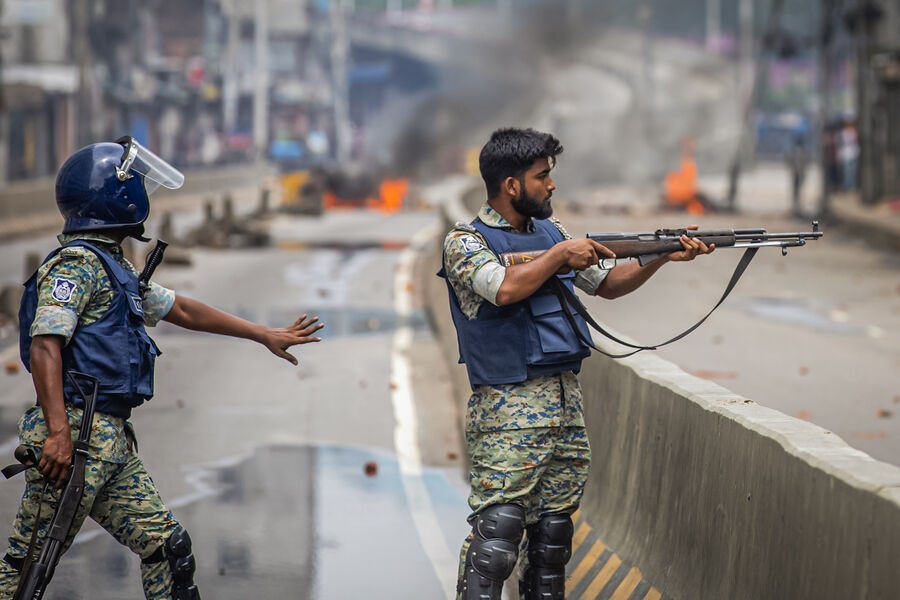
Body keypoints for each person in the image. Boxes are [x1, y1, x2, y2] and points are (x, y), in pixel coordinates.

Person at [0, 137, 324, 599]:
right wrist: (57, 434)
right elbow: (45, 346)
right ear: (116, 196)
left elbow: (183, 310)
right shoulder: (76, 265)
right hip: (74, 440)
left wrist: (262, 334)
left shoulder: (115, 268)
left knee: (168, 548)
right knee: (24, 572)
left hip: (108, 444)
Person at [440, 127, 713, 600]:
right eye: (542, 176)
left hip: (566, 412)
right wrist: (560, 254)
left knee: (551, 543)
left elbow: (608, 284)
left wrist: (662, 255)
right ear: (511, 185)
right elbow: (502, 288)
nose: (551, 185)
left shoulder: (553, 233)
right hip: (508, 414)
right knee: (497, 542)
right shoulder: (466, 243)